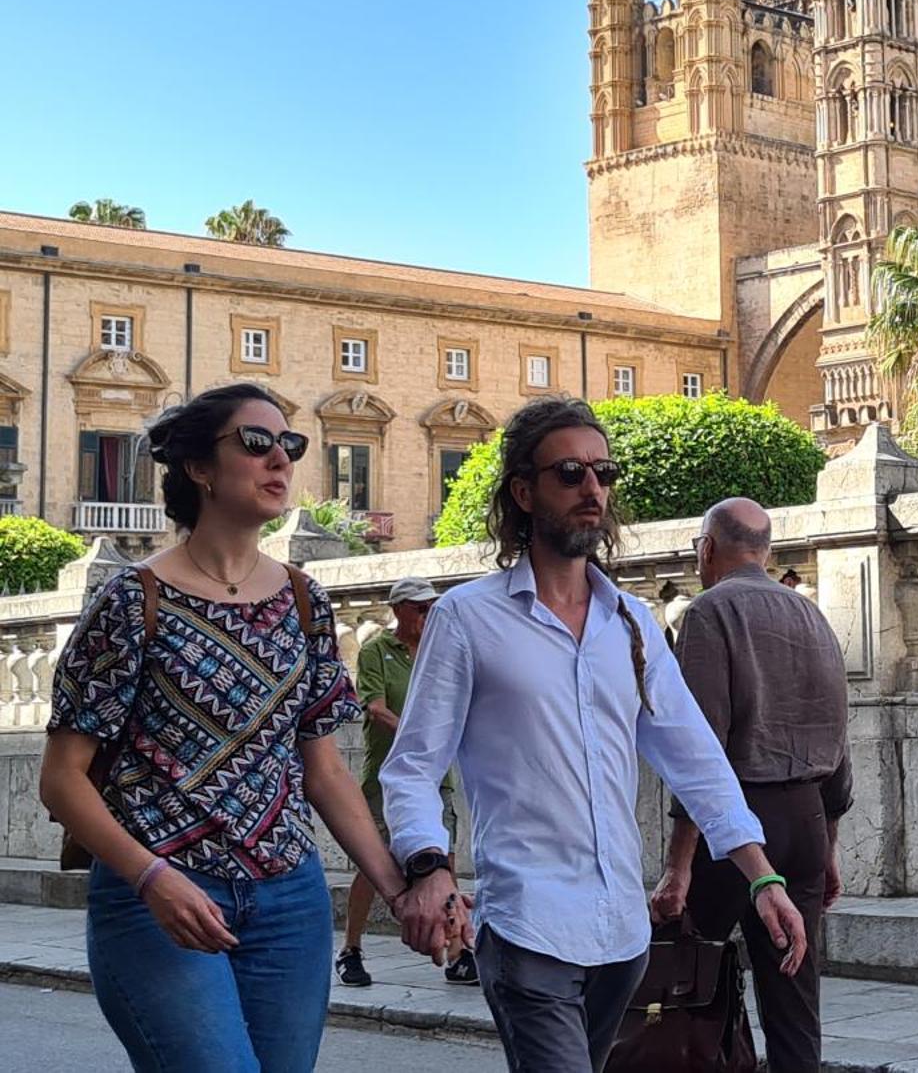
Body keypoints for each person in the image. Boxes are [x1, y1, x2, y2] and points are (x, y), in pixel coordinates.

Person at [381, 397, 806, 1073]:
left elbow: (695, 759)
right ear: (523, 491)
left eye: (603, 474)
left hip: (622, 937)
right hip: (526, 926)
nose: (593, 490)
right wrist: (429, 866)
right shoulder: (467, 618)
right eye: (571, 473)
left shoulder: (632, 624)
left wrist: (763, 878)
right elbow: (411, 767)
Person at [39, 383, 410, 1073]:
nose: (280, 460)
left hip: (289, 900)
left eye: (289, 445)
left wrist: (397, 888)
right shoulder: (130, 601)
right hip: (160, 898)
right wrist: (150, 877)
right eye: (255, 442)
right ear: (199, 469)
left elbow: (324, 770)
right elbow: (61, 780)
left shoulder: (306, 600)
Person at [650, 499, 852, 1072]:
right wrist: (828, 847)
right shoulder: (812, 615)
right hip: (807, 817)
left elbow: (700, 751)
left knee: (695, 975)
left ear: (708, 547)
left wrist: (677, 865)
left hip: (733, 827)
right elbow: (838, 741)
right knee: (793, 989)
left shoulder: (709, 613)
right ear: (765, 551)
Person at [338, 576, 476, 988]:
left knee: (445, 861)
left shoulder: (441, 651)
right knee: (373, 862)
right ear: (398, 610)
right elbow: (375, 707)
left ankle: (456, 951)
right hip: (387, 773)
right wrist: (421, 734)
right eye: (419, 608)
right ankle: (351, 948)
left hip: (440, 776)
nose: (427, 615)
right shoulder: (378, 651)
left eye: (431, 607)